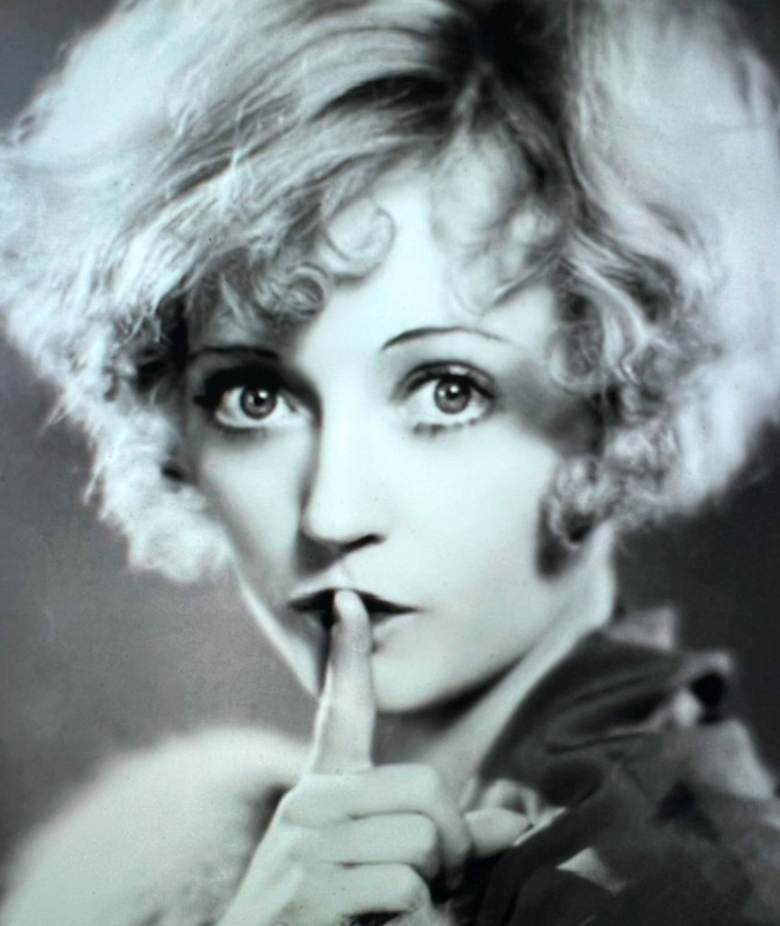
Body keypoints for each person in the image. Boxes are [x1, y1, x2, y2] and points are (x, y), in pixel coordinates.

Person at [2, 0, 780, 923]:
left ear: (618, 403)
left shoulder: (699, 895)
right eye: (256, 396)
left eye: (448, 390)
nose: (331, 513)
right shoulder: (157, 872)